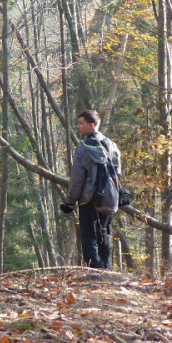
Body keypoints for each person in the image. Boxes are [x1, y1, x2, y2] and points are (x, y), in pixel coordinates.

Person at [60, 109, 121, 269]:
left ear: (92, 125)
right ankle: (105, 268)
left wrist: (70, 201)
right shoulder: (112, 146)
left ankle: (93, 270)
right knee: (105, 232)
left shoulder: (84, 146)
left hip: (88, 198)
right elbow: (117, 173)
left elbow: (77, 178)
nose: (78, 126)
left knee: (88, 234)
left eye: (81, 123)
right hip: (109, 198)